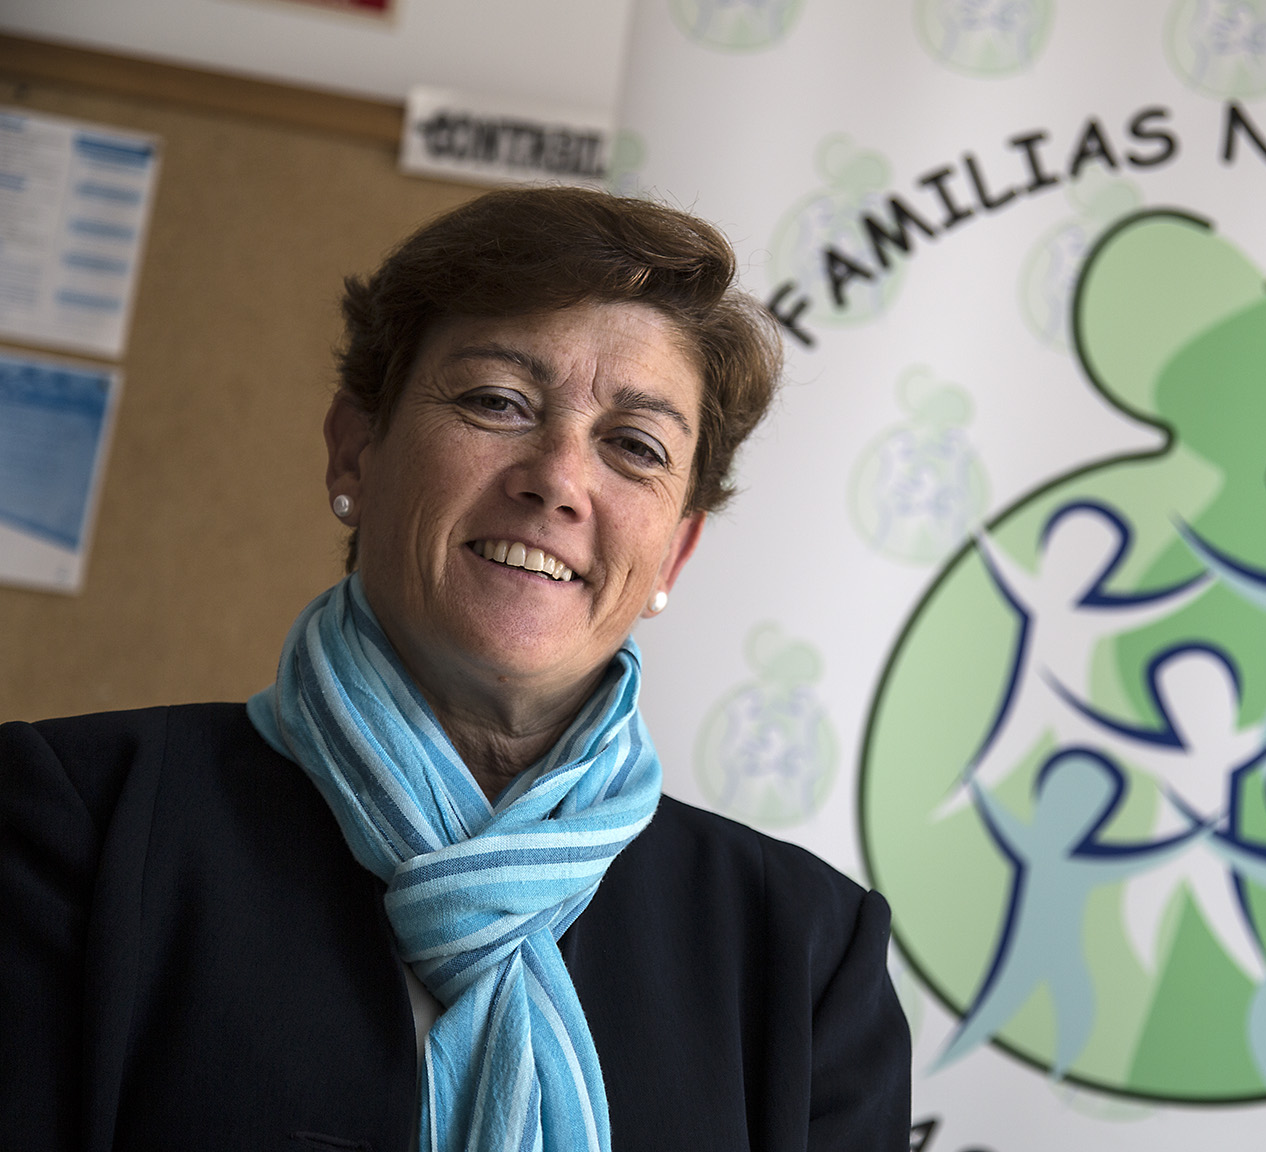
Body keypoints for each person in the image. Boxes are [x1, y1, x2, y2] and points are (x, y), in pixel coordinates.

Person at [0, 188, 911, 1151]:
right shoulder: (74, 824)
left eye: (634, 446)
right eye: (497, 401)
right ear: (355, 451)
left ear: (674, 556)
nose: (558, 479)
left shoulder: (809, 954)